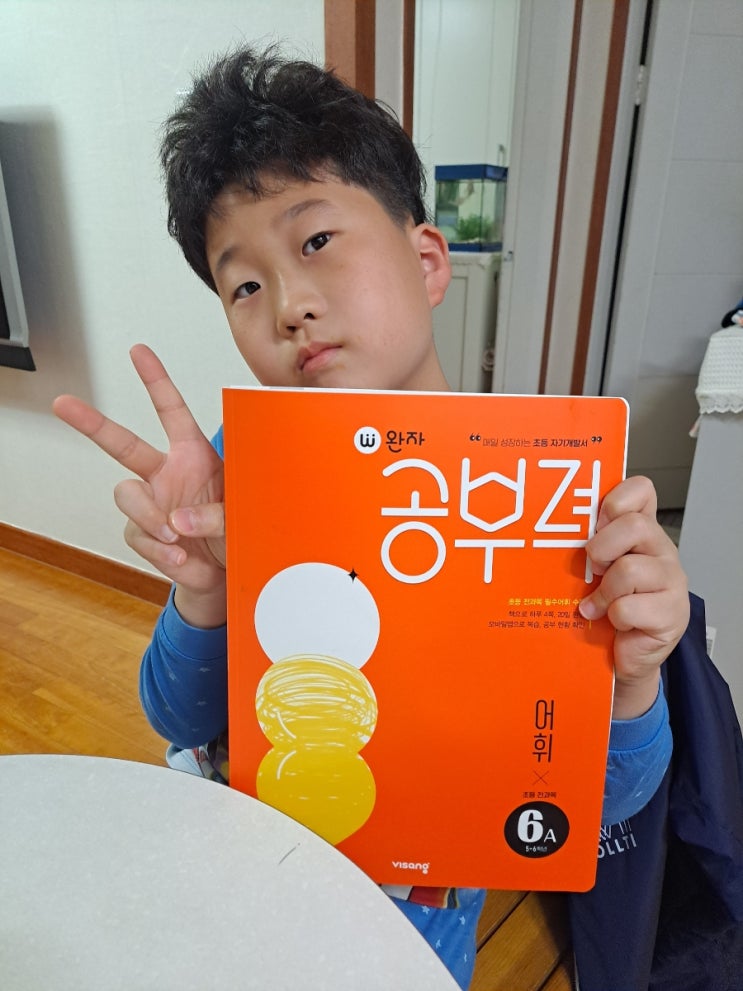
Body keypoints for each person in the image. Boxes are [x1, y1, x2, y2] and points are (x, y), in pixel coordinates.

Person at [53, 46, 690, 990]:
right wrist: (206, 589)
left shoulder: (540, 495)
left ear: (427, 260)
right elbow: (177, 717)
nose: (290, 306)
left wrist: (630, 679)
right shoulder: (241, 472)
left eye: (315, 241)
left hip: (407, 937)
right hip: (234, 891)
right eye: (244, 285)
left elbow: (596, 807)